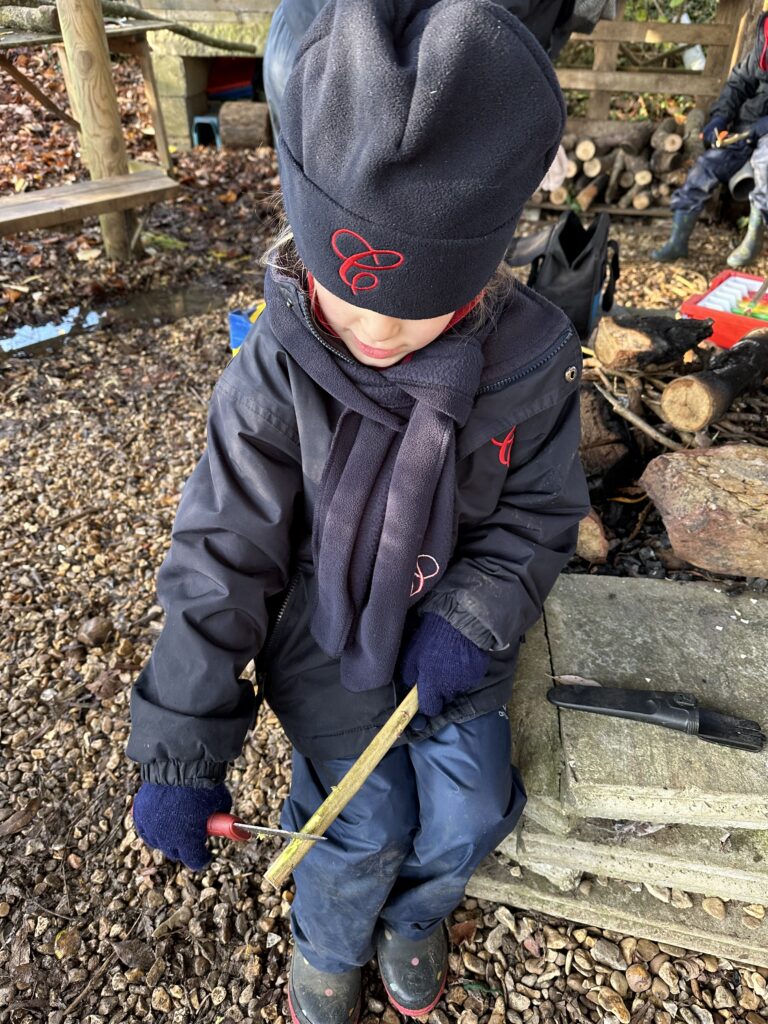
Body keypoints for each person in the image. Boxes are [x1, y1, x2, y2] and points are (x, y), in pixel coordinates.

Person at [128, 3, 590, 1023]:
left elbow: (543, 512)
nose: (375, 325)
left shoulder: (530, 365)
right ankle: (331, 943)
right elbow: (220, 555)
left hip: (452, 647)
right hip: (327, 641)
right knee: (362, 822)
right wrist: (181, 750)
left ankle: (417, 916)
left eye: (414, 303)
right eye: (346, 291)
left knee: (470, 810)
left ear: (474, 273)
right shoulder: (272, 376)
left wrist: (473, 615)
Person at [652, 3, 768, 267]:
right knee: (706, 166)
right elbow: (740, 81)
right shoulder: (766, 30)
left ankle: (753, 241)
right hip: (747, 125)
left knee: (765, 164)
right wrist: (720, 116)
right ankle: (677, 241)